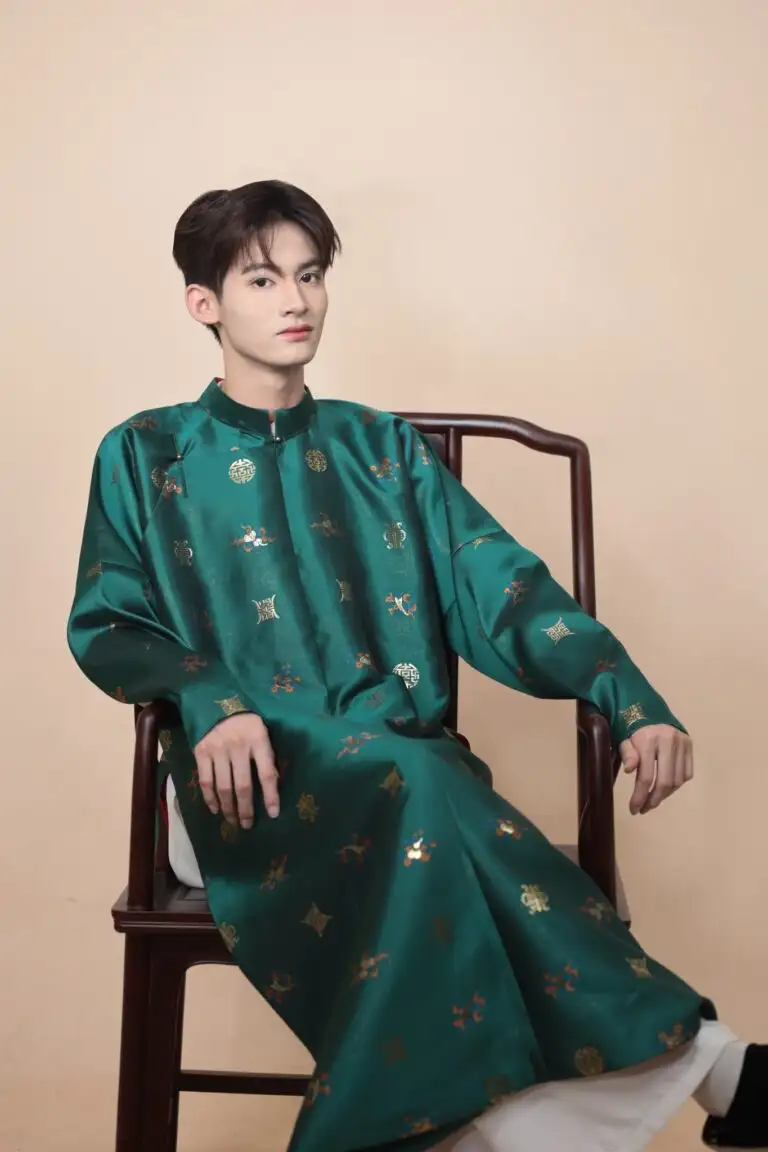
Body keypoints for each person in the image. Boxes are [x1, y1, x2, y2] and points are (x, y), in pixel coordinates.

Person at [67, 180, 764, 1152]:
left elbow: (505, 592)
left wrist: (631, 700)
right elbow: (109, 621)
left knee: (425, 785)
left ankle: (465, 1128)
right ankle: (719, 1070)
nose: (296, 300)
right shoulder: (147, 454)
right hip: (242, 788)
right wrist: (207, 696)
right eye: (263, 279)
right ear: (204, 303)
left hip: (404, 780)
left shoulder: (382, 449)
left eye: (311, 275)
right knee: (431, 786)